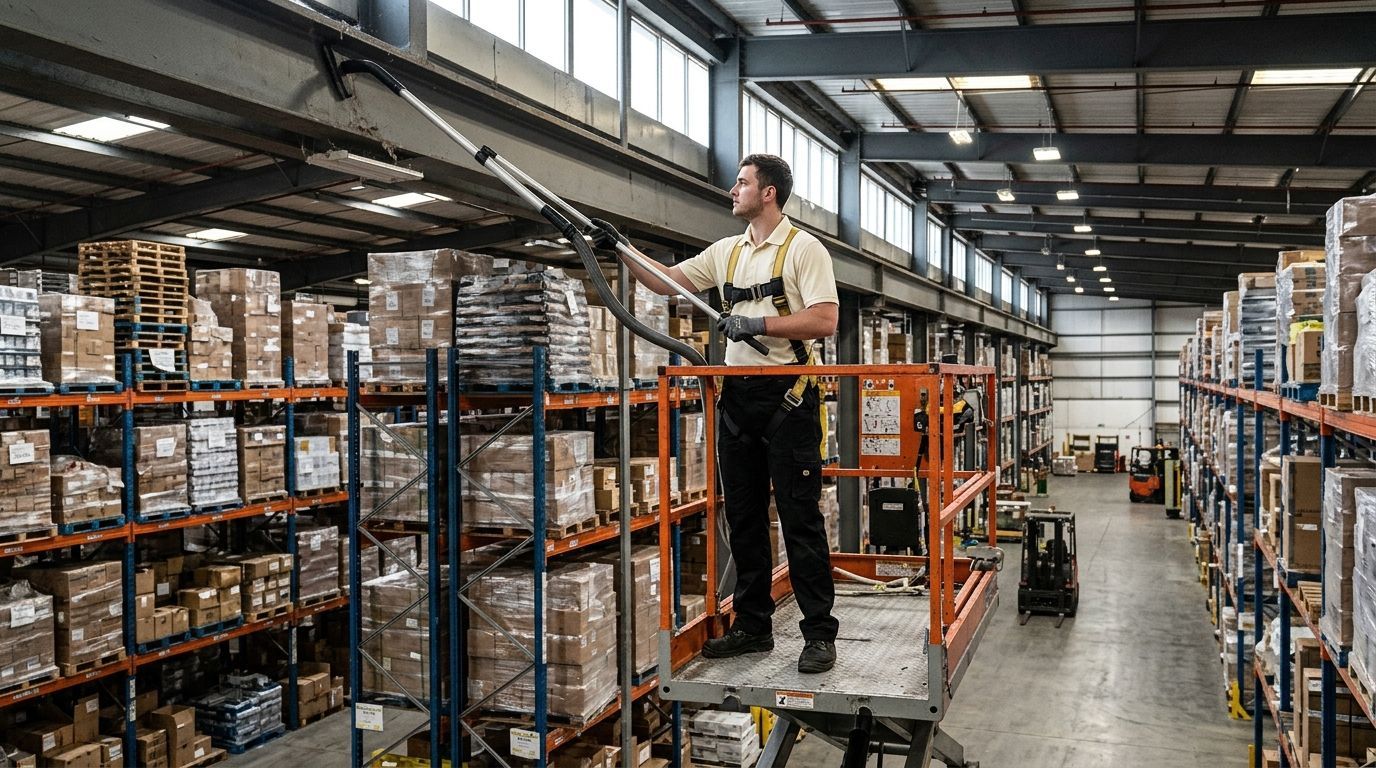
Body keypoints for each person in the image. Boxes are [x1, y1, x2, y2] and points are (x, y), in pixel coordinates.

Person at [594, 153, 840, 674]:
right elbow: (667, 281)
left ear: (768, 192)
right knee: (744, 519)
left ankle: (819, 633)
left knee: (799, 520)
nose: (733, 189)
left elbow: (824, 319)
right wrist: (621, 247)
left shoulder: (803, 250)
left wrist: (758, 326)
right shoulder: (728, 253)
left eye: (742, 182)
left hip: (789, 400)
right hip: (736, 403)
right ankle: (753, 626)